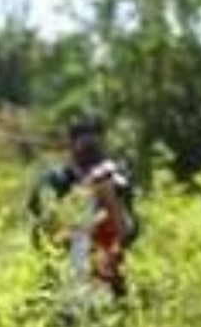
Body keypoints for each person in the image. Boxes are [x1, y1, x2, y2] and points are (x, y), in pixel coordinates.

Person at [27, 113, 140, 298]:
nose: (91, 152)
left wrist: (109, 197)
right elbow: (41, 237)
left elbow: (129, 233)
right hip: (64, 287)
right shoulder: (55, 182)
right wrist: (79, 196)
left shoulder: (115, 181)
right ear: (71, 145)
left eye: (95, 145)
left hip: (108, 287)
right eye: (85, 145)